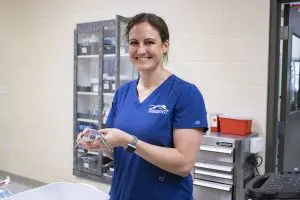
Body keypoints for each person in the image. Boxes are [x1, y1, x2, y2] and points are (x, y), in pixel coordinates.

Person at [77, 12, 208, 200]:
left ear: (165, 46)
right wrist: (98, 144)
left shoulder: (186, 94)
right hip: (123, 194)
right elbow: (119, 153)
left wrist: (129, 141)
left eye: (149, 42)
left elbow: (184, 164)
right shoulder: (123, 93)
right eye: (134, 43)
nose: (140, 50)